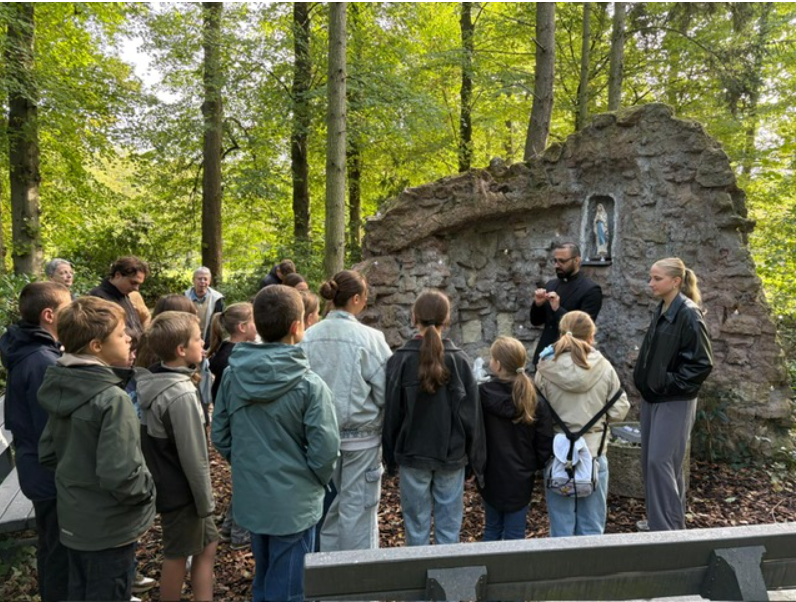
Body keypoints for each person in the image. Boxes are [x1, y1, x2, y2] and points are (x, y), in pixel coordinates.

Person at [212, 285, 339, 602]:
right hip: (295, 503)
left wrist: (249, 465)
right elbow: (325, 451)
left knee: (266, 575)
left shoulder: (232, 376)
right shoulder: (310, 385)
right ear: (297, 326)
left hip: (254, 495)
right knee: (290, 588)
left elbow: (221, 435)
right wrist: (310, 480)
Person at [37, 296, 156, 602]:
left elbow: (48, 452)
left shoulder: (62, 385)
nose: (129, 338)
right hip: (108, 529)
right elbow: (121, 474)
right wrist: (147, 491)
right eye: (121, 334)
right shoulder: (112, 399)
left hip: (73, 521)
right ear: (96, 346)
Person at [383, 290, 486, 546]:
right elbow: (473, 417)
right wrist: (475, 461)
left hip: (412, 455)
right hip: (451, 456)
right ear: (447, 319)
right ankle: (445, 571)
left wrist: (390, 457)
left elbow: (392, 414)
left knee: (415, 529)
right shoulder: (459, 361)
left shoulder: (401, 360)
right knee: (449, 530)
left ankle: (417, 571)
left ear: (414, 317)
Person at [299, 270, 392, 551]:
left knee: (329, 512)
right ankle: (359, 574)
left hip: (318, 439)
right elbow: (385, 391)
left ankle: (328, 572)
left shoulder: (307, 338)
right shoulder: (371, 339)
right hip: (361, 441)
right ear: (356, 299)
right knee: (358, 513)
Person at [137, 312, 219, 602]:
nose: (203, 343)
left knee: (207, 545)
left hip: (174, 485)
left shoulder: (157, 380)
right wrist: (206, 502)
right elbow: (194, 457)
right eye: (197, 339)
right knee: (177, 554)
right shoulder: (180, 394)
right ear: (181, 350)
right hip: (183, 492)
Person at [0, 282, 72, 602]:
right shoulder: (43, 361)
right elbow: (52, 429)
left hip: (35, 466)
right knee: (59, 552)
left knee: (52, 546)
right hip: (49, 474)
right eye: (67, 307)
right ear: (49, 315)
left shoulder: (33, 350)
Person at [633, 258, 714, 531]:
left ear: (676, 281)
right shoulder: (663, 308)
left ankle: (665, 532)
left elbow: (702, 364)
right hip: (653, 397)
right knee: (654, 463)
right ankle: (667, 525)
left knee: (660, 462)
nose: (651, 283)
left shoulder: (688, 313)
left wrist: (667, 383)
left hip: (674, 400)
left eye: (657, 278)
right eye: (651, 277)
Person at [535, 311, 629, 537]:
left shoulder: (545, 368)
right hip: (593, 454)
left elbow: (537, 412)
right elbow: (619, 410)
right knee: (592, 527)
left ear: (562, 334)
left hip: (559, 456)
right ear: (591, 336)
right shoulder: (604, 368)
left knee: (561, 528)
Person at [478, 336, 553, 541]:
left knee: (492, 528)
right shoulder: (534, 399)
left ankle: (489, 562)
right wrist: (534, 465)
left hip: (490, 472)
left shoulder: (482, 395)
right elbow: (544, 440)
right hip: (521, 475)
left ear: (498, 364)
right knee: (515, 533)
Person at [207, 302, 256, 551]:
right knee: (248, 482)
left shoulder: (226, 353)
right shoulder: (235, 360)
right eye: (254, 320)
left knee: (245, 479)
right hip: (239, 428)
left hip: (233, 428)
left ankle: (229, 528)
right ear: (243, 327)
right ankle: (240, 534)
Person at [530, 242, 602, 365]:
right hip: (544, 356)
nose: (557, 265)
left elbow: (583, 330)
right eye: (555, 261)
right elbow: (535, 321)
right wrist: (538, 304)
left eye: (562, 261)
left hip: (570, 358)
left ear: (577, 260)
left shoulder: (590, 290)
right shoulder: (551, 285)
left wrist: (557, 309)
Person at [89, 255, 150, 341]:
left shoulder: (124, 294)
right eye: (133, 283)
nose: (136, 288)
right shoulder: (97, 298)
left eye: (139, 284)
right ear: (118, 275)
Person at [185, 267, 225, 349]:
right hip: (188, 339)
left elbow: (219, 322)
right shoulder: (184, 297)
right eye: (199, 279)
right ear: (193, 280)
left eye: (205, 279)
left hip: (210, 342)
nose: (202, 281)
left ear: (209, 281)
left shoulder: (217, 299)